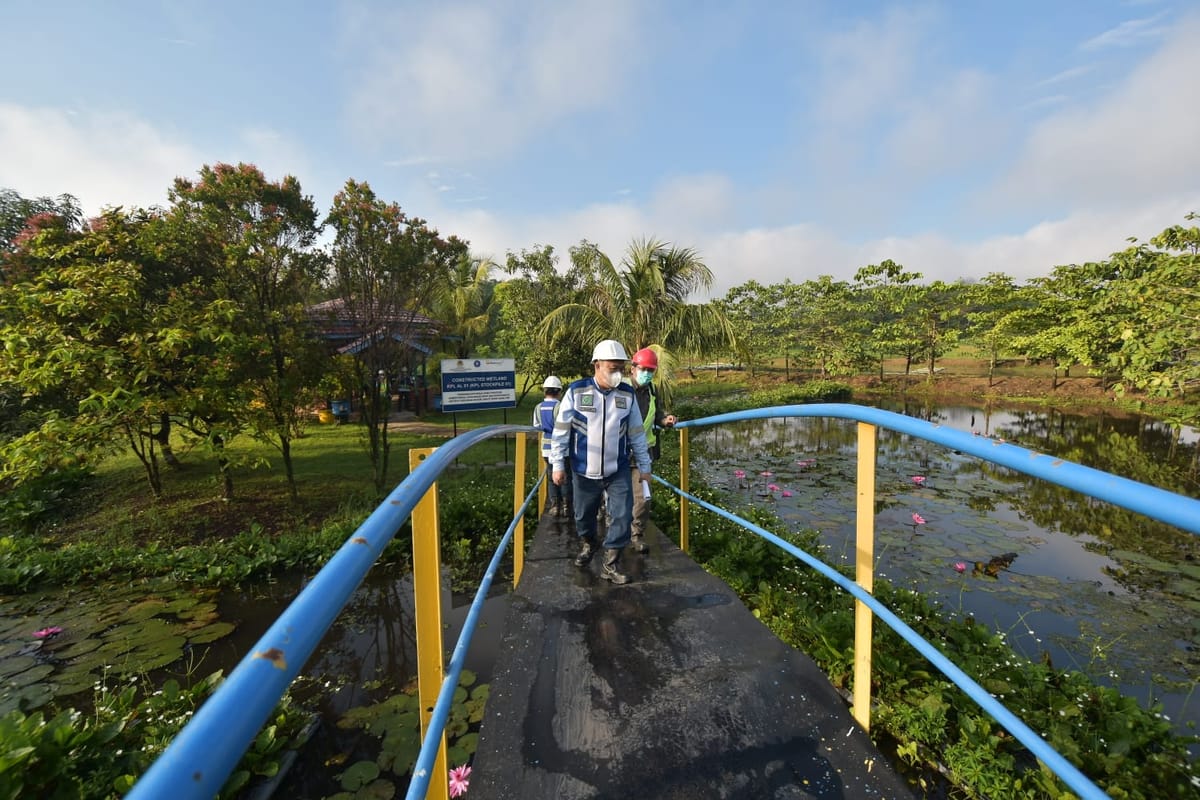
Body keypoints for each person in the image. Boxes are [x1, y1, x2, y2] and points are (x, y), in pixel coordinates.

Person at [550, 339, 652, 585]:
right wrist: (558, 465)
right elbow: (561, 431)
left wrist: (645, 467)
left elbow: (636, 433)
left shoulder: (626, 395)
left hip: (617, 469)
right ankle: (589, 542)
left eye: (620, 368)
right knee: (583, 517)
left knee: (621, 516)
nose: (617, 373)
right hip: (584, 470)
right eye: (611, 367)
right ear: (597, 365)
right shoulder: (576, 392)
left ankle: (610, 563)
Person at [629, 347, 677, 554]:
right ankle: (611, 523)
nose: (647, 373)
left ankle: (636, 534)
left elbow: (655, 413)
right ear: (633, 368)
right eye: (644, 369)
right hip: (618, 451)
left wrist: (664, 419)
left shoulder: (652, 390)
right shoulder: (620, 387)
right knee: (616, 494)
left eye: (651, 370)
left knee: (643, 498)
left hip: (643, 452)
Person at [534, 375, 570, 517]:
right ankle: (567, 506)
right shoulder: (560, 407)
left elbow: (536, 427)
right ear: (559, 392)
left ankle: (555, 506)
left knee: (551, 477)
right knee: (564, 476)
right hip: (563, 449)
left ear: (545, 391)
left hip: (546, 450)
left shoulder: (538, 408)